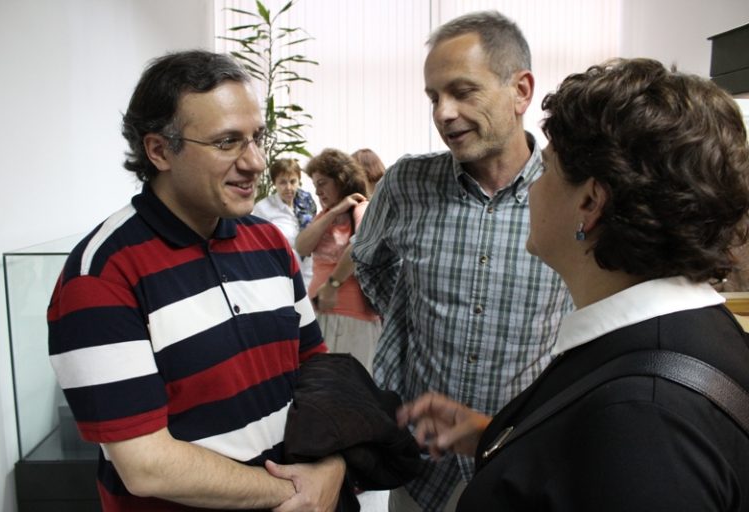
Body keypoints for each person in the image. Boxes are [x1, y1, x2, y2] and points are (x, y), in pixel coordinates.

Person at [399, 58, 749, 511]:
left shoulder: (645, 421)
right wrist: (496, 435)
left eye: (545, 169)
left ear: (590, 202)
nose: (532, 188)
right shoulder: (688, 333)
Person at [47, 50, 346, 511]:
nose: (256, 162)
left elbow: (316, 371)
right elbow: (146, 464)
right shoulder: (100, 274)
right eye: (227, 142)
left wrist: (333, 466)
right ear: (159, 150)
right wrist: (296, 492)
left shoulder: (268, 242)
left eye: (256, 138)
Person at [351, 11, 572, 510]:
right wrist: (410, 313)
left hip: (520, 462)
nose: (444, 113)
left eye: (463, 91)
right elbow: (368, 260)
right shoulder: (407, 184)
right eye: (433, 97)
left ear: (521, 91)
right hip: (421, 463)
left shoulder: (569, 190)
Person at [296, 148, 382, 373]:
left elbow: (360, 245)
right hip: (320, 314)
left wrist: (332, 285)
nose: (318, 191)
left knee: (349, 385)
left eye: (322, 183)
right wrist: (334, 212)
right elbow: (302, 246)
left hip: (352, 318)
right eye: (315, 185)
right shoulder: (326, 214)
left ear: (340, 180)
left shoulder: (362, 208)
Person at [252, 158, 316, 287]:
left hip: (311, 274)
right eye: (282, 182)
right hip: (282, 277)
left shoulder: (308, 202)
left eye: (293, 181)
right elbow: (258, 247)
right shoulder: (263, 208)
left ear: (299, 181)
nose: (288, 188)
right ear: (274, 183)